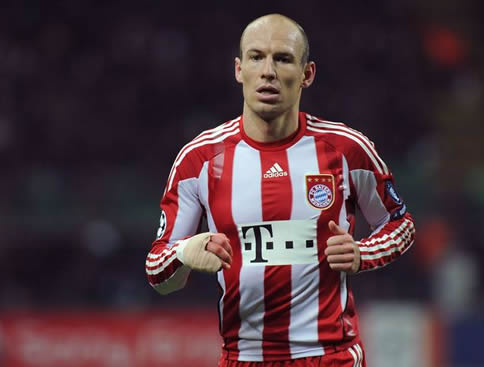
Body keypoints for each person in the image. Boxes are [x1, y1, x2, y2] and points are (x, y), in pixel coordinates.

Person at [145, 13, 415, 367]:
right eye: (257, 57)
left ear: (307, 74)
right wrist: (183, 253)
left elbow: (401, 224)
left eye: (283, 58)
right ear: (239, 70)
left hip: (331, 357)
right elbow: (157, 272)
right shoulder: (200, 159)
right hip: (243, 359)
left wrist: (363, 253)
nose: (268, 71)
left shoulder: (346, 148)